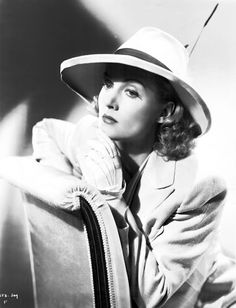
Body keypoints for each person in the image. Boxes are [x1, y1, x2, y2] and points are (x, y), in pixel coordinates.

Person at [1, 27, 236, 307]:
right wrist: (80, 196)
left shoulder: (200, 188)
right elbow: (46, 132)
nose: (109, 101)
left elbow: (153, 295)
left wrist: (111, 198)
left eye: (132, 93)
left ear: (165, 112)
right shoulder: (93, 137)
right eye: (109, 83)